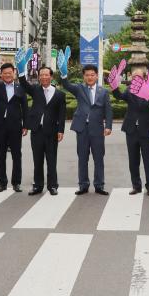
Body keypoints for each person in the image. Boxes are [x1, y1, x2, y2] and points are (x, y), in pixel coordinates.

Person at [61, 63, 113, 196]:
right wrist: (63, 73)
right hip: (82, 129)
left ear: (96, 76)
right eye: (87, 75)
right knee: (82, 158)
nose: (90, 77)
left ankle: (99, 185)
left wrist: (108, 126)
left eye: (92, 75)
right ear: (83, 77)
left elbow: (108, 110)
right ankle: (83, 185)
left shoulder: (103, 92)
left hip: (97, 129)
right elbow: (66, 85)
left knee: (99, 158)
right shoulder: (79, 89)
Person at [19, 66, 66, 196]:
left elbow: (62, 114)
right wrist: (21, 69)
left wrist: (61, 130)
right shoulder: (34, 90)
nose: (44, 77)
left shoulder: (60, 95)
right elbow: (23, 83)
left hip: (52, 131)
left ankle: (52, 186)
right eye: (42, 75)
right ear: (39, 77)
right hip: (37, 130)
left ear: (51, 77)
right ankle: (38, 185)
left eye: (47, 75)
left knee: (52, 160)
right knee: (37, 160)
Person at [112, 68, 149, 196]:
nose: (135, 80)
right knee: (133, 160)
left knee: (148, 160)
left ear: (144, 78)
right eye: (133, 78)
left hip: (147, 131)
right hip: (131, 130)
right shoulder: (129, 91)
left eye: (138, 77)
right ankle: (136, 186)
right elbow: (118, 96)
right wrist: (114, 84)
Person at [0, 63, 28, 193]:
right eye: (5, 73)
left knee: (16, 155)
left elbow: (25, 108)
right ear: (1, 74)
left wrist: (25, 125)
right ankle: (2, 183)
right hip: (0, 125)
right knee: (0, 155)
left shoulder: (20, 87)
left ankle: (16, 183)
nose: (8, 75)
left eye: (10, 72)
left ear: (13, 74)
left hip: (15, 125)